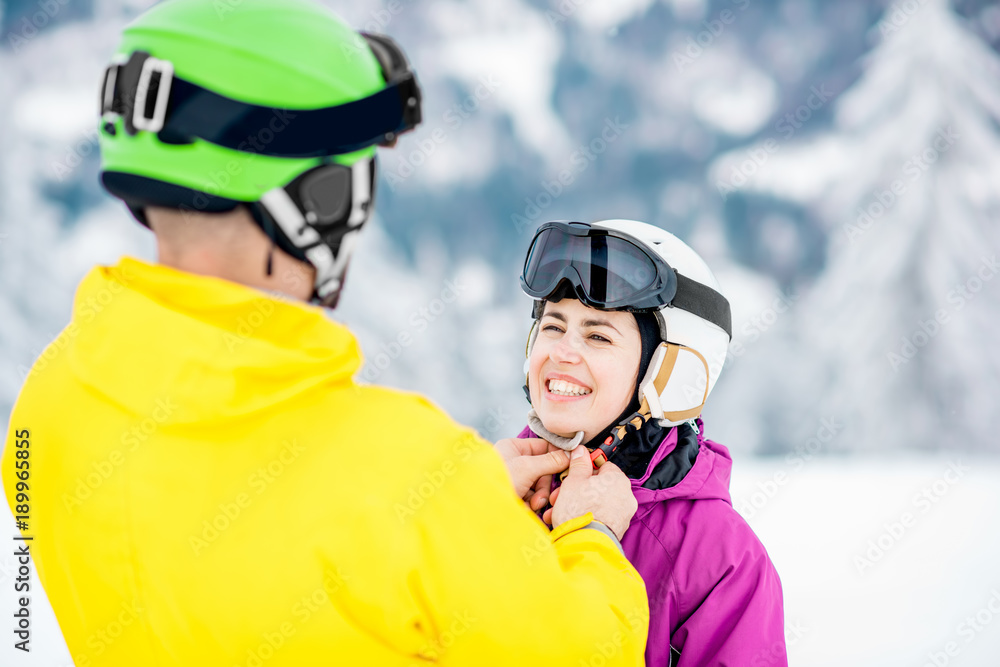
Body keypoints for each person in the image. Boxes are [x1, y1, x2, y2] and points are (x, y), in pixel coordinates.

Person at [0, 3, 649, 664]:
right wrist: (588, 529)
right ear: (321, 201)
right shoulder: (406, 467)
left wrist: (461, 505)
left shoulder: (50, 404)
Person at [516, 219, 787, 666]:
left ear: (667, 372)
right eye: (553, 326)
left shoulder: (720, 560)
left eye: (598, 335)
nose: (562, 352)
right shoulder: (491, 489)